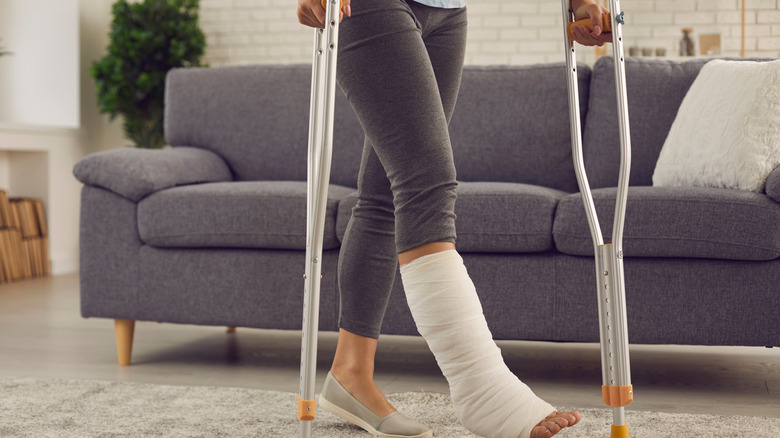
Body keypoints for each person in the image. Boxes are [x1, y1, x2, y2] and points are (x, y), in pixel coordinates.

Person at [297, 1, 611, 437]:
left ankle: (350, 373)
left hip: (448, 9)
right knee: (426, 181)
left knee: (386, 192)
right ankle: (483, 390)